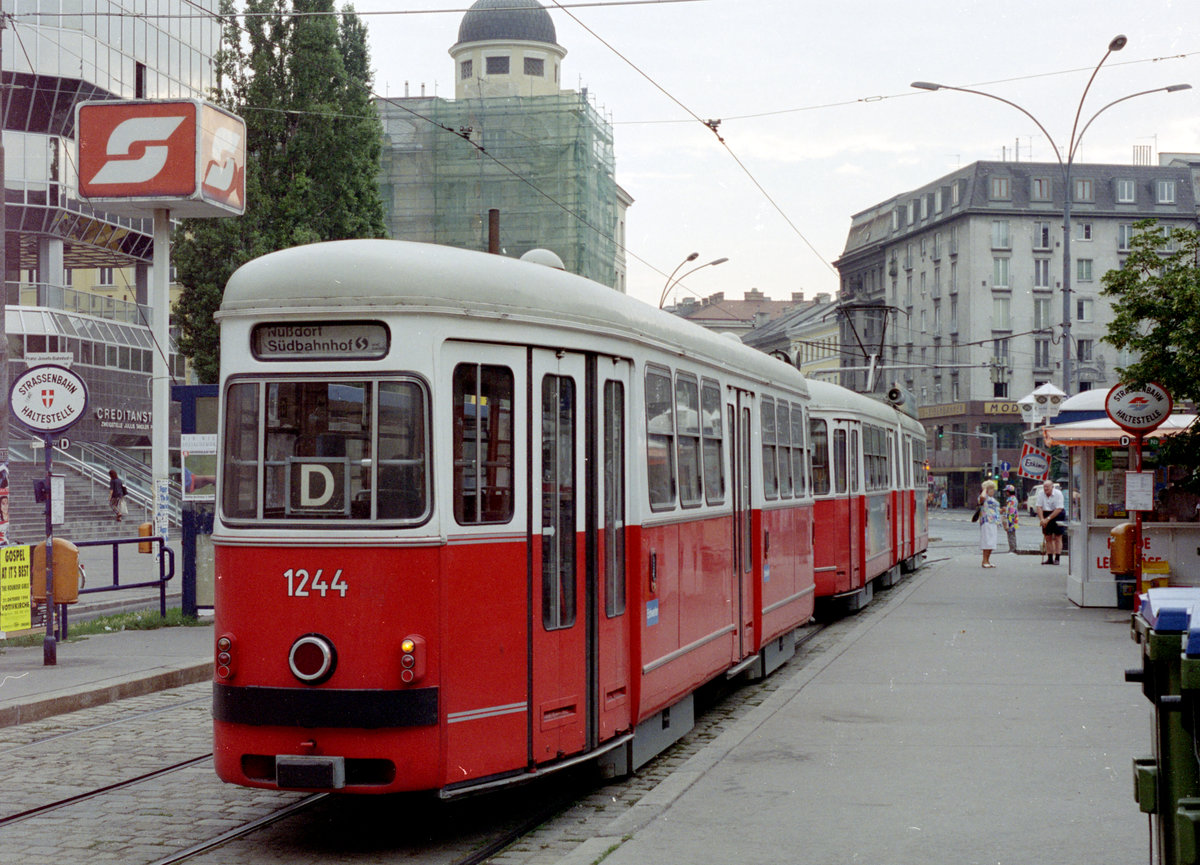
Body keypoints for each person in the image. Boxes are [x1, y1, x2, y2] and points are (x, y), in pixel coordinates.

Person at [1035, 478, 1065, 565]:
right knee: (1047, 537)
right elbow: (1039, 507)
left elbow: (1059, 508)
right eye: (1044, 487)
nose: (1045, 489)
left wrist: (1048, 519)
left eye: (1047, 487)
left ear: (1052, 487)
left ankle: (1057, 558)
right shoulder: (1041, 494)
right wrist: (1042, 519)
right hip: (1045, 512)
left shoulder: (1058, 494)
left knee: (1058, 537)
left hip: (1057, 513)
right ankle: (1050, 558)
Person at [978, 480, 1001, 568]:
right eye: (991, 489)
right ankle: (984, 560)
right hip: (987, 521)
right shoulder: (983, 497)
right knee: (987, 541)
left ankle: (988, 560)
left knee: (992, 542)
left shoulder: (992, 499)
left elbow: (995, 509)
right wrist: (984, 489)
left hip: (993, 522)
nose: (993, 491)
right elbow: (982, 498)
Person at [1002, 484, 1020, 553]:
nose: (1006, 493)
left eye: (1006, 491)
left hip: (1011, 520)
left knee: (1011, 535)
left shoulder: (1011, 500)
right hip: (1013, 519)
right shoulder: (1014, 499)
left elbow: (1011, 511)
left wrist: (1009, 521)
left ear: (1009, 492)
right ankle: (1013, 548)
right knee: (1012, 534)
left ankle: (1012, 549)